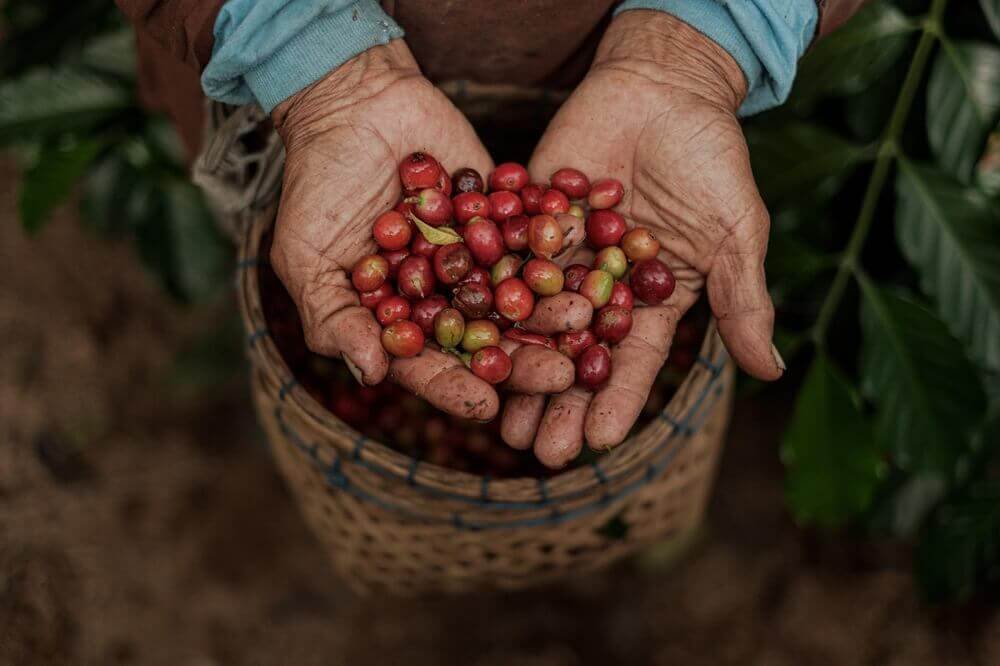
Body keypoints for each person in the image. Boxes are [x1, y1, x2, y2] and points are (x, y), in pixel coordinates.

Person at [115, 0, 866, 465]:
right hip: (278, 89)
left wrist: (703, 38)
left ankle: (641, 527)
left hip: (600, 70)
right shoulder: (474, 253)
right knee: (281, 224)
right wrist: (303, 54)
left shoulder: (511, 250)